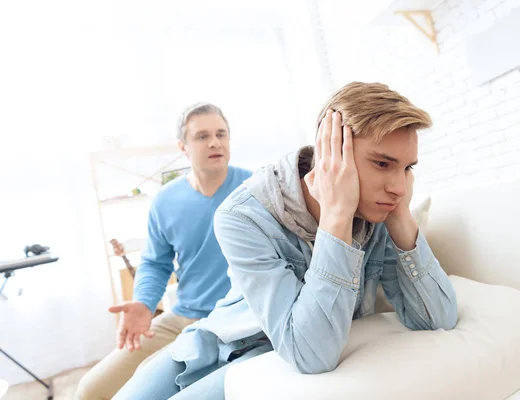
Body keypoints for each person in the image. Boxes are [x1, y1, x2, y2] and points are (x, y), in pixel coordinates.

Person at [114, 82, 458, 400]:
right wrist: (336, 214)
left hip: (278, 355)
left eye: (407, 168)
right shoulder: (243, 214)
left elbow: (437, 320)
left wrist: (396, 217)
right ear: (330, 157)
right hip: (225, 335)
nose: (398, 186)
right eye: (383, 163)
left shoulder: (378, 211)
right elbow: (158, 263)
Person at [76, 103, 252, 399]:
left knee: (147, 384)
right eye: (202, 136)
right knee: (90, 390)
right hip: (183, 316)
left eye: (221, 134)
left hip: (237, 320)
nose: (214, 142)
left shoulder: (254, 187)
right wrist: (144, 303)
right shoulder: (165, 200)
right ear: (183, 147)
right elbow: (156, 263)